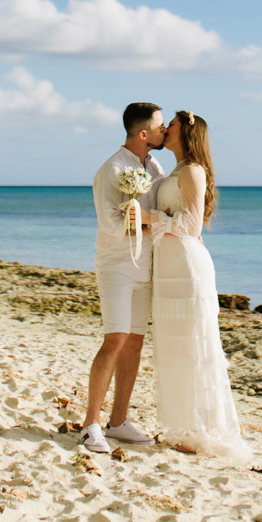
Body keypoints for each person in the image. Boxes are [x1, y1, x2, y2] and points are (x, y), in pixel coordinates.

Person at [142, 109, 250, 462]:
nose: (164, 129)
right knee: (174, 348)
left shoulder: (192, 171)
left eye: (169, 125)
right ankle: (184, 427)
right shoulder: (173, 170)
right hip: (168, 266)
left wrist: (148, 218)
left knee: (193, 346)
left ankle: (203, 429)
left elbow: (191, 226)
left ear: (185, 133)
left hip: (187, 268)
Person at [80, 101, 166, 455]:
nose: (165, 132)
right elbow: (111, 226)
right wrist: (153, 220)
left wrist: (154, 219)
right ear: (143, 133)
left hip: (146, 266)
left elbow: (159, 209)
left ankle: (118, 421)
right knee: (114, 340)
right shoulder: (111, 169)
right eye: (160, 127)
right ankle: (90, 426)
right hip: (116, 265)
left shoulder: (153, 165)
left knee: (134, 342)